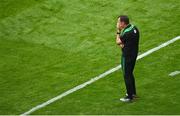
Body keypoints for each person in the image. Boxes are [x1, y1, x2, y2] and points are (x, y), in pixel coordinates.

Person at [116, 15, 140, 102]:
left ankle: (129, 96)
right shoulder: (134, 28)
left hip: (127, 56)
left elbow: (118, 41)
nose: (117, 23)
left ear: (123, 23)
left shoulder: (126, 33)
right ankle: (133, 93)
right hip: (134, 55)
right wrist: (123, 45)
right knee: (130, 73)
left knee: (126, 75)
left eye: (118, 22)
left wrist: (118, 31)